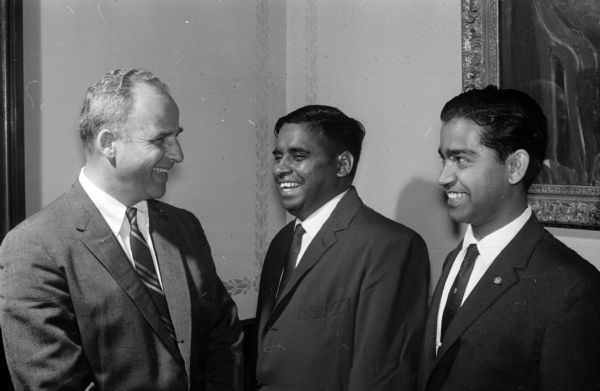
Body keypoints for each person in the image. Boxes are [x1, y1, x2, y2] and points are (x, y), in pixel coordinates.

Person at [0, 68, 244, 390]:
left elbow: (223, 341)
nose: (178, 154)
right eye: (160, 139)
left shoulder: (184, 227)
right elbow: (53, 384)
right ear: (108, 143)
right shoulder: (34, 247)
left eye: (177, 136)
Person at [419, 85, 600, 391]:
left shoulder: (571, 288)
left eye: (461, 159)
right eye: (444, 159)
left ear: (515, 166)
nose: (443, 177)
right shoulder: (457, 259)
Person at [254, 105, 430, 390]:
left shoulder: (391, 245)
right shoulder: (282, 241)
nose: (280, 168)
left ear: (343, 164)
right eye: (278, 156)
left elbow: (382, 373)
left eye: (298, 156)